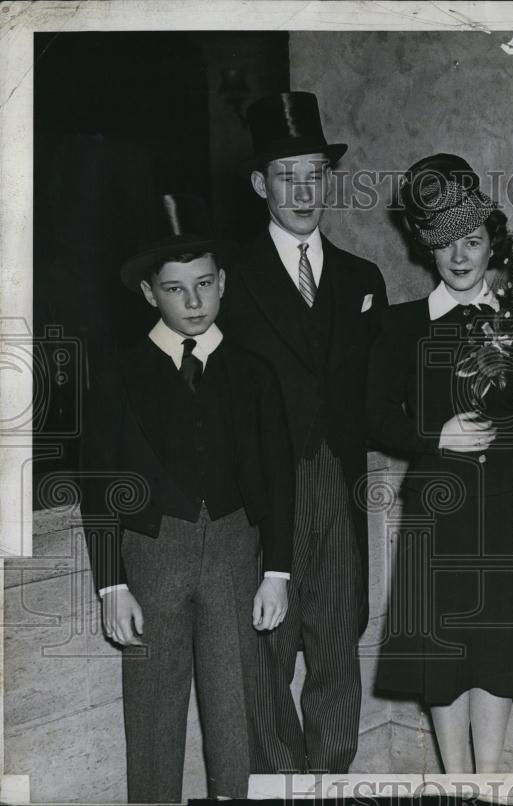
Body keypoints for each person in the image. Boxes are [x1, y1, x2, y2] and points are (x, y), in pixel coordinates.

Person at [79, 193, 293, 802]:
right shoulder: (119, 374)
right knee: (151, 714)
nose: (194, 302)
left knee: (234, 713)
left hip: (233, 551)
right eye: (175, 289)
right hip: (152, 554)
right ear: (150, 294)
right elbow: (99, 483)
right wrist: (110, 583)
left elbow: (281, 480)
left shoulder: (254, 373)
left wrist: (275, 569)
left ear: (222, 282)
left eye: (204, 284)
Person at [368, 153, 513, 773]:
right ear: (427, 249)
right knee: (444, 654)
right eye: (445, 243)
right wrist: (435, 435)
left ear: (489, 244)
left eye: (471, 240)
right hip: (439, 509)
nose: (459, 255)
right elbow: (373, 416)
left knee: (497, 648)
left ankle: (490, 778)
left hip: (505, 512)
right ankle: (454, 780)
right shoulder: (401, 327)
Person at [220, 91, 388, 773]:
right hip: (265, 494)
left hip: (339, 488)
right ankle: (281, 783)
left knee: (336, 657)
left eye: (314, 174)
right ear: (261, 185)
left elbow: (379, 397)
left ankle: (330, 782)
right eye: (286, 176)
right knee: (262, 657)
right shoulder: (227, 279)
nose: (302, 191)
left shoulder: (360, 278)